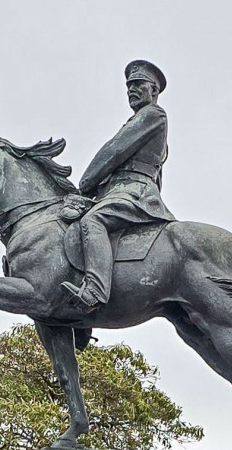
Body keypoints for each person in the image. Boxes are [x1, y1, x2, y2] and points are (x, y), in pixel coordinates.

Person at [61, 59, 175, 312]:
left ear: (153, 90)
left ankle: (94, 291)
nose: (131, 90)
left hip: (134, 191)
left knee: (93, 221)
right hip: (119, 190)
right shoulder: (141, 119)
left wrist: (86, 183)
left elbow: (114, 151)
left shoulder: (153, 115)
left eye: (137, 84)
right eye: (128, 86)